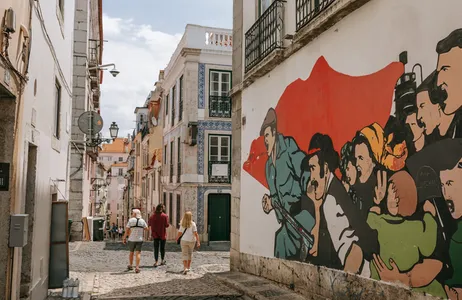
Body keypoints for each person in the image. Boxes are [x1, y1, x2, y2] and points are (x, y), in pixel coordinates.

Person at [259, 108, 315, 261]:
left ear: (275, 132)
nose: (265, 140)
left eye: (267, 135)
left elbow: (304, 170)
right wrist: (271, 203)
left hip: (303, 214)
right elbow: (277, 197)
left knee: (282, 240)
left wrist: (311, 190)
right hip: (288, 219)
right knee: (281, 239)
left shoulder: (288, 147)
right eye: (264, 137)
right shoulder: (269, 166)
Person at [122, 209, 149, 273]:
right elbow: (147, 229)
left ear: (135, 214)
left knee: (131, 252)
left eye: (132, 213)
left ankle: (131, 265)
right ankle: (137, 267)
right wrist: (140, 228)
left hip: (131, 239)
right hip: (139, 239)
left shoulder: (131, 220)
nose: (132, 214)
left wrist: (124, 238)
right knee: (138, 253)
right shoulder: (142, 221)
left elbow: (127, 230)